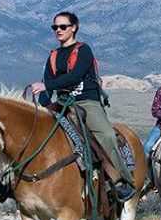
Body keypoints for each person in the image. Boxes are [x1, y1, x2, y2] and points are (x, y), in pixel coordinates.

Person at [27, 11, 136, 201]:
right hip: (61, 103)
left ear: (74, 28)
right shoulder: (53, 55)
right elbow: (47, 81)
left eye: (63, 27)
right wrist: (43, 104)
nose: (58, 30)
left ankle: (121, 181)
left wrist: (47, 86)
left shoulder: (84, 50)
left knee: (107, 135)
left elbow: (75, 76)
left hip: (86, 101)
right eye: (55, 27)